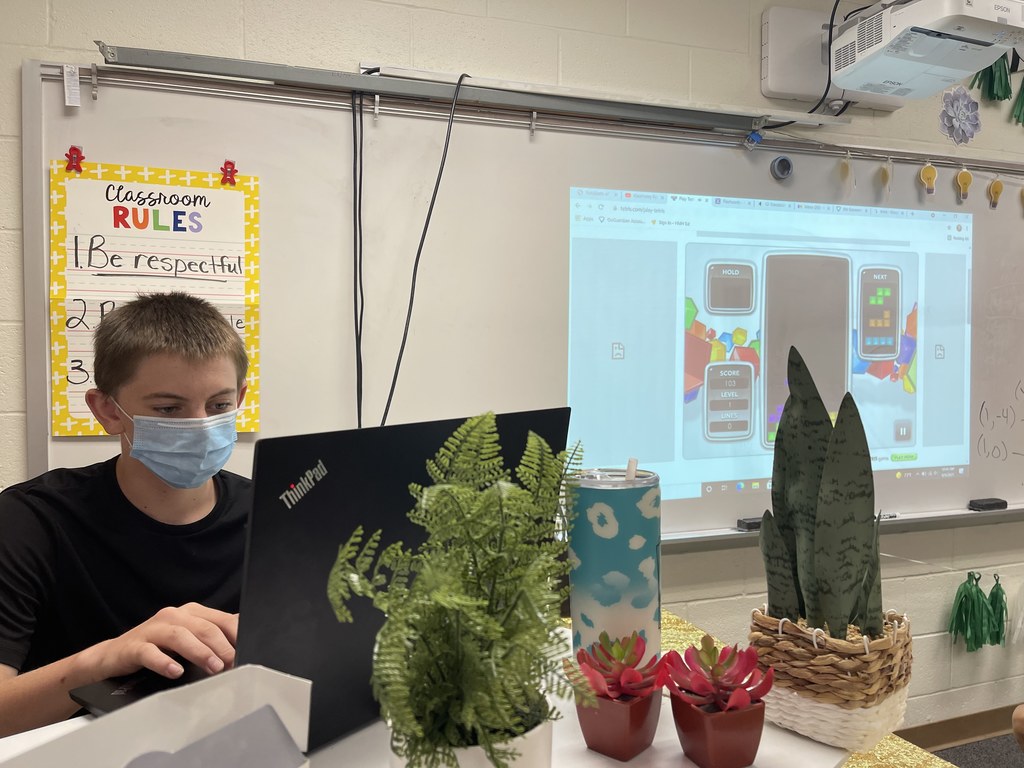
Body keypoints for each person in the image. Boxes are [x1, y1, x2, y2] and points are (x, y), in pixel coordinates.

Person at [0, 292, 251, 737]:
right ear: (107, 411)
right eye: (168, 409)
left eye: (218, 406)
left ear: (241, 397)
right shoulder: (29, 521)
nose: (199, 425)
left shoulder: (272, 512)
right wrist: (103, 661)